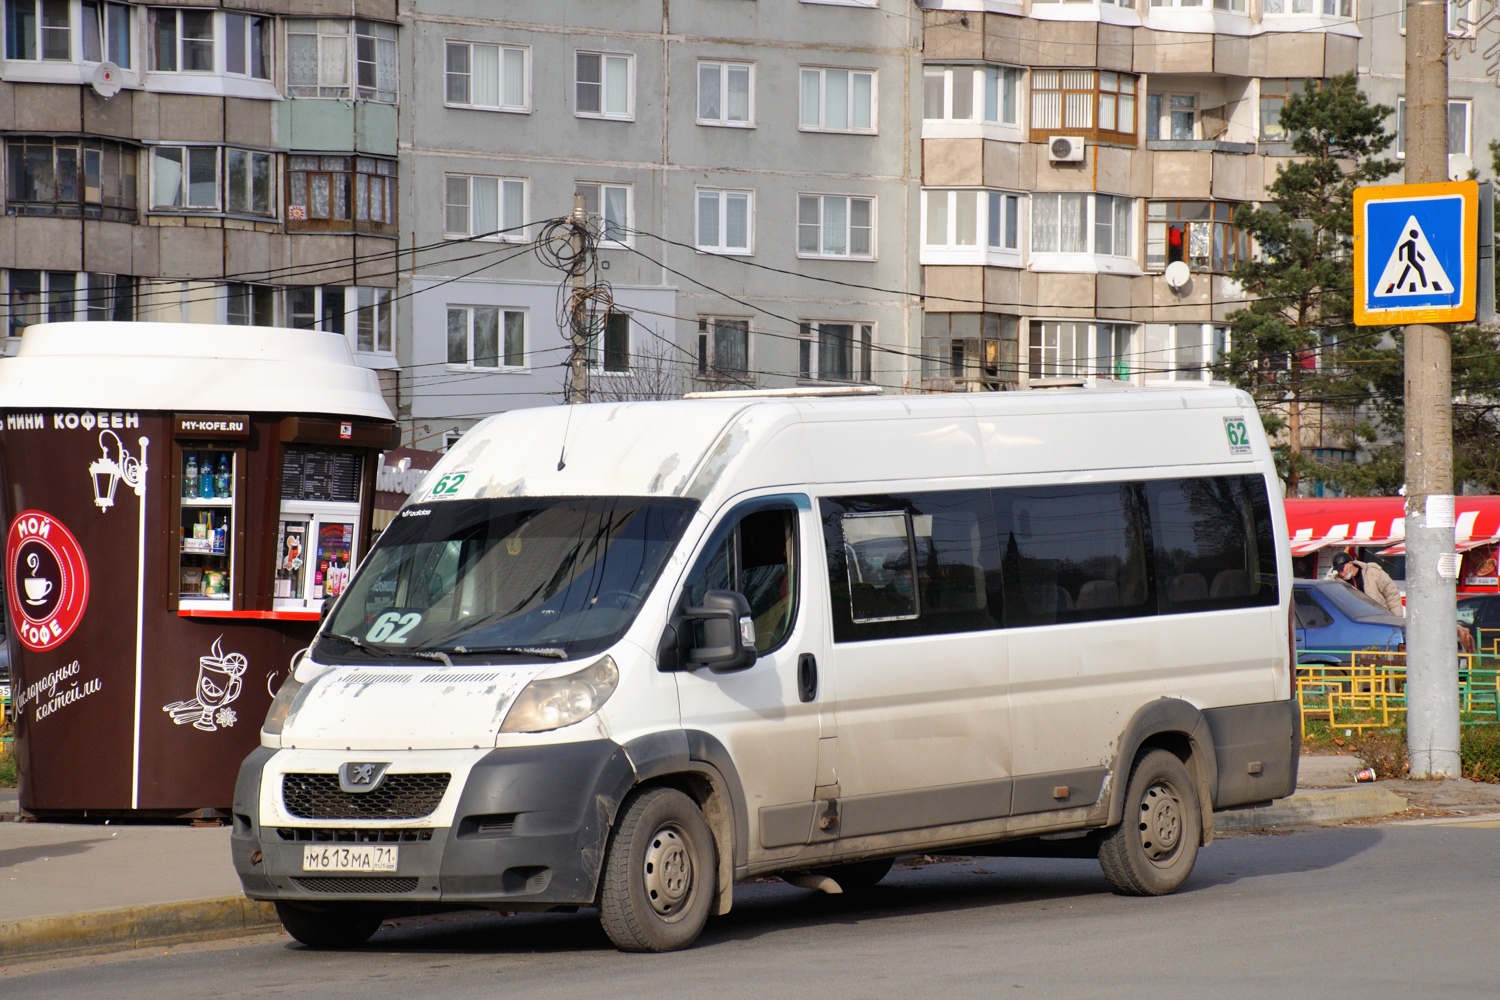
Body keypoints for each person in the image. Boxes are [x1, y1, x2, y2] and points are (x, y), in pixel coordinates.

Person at [1330, 552, 1404, 615]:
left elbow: (1391, 593)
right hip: (1359, 623)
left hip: (1381, 618)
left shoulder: (1371, 571)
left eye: (1342, 569)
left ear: (1350, 563)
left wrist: (1396, 618)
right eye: (1339, 571)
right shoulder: (1338, 583)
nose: (1341, 573)